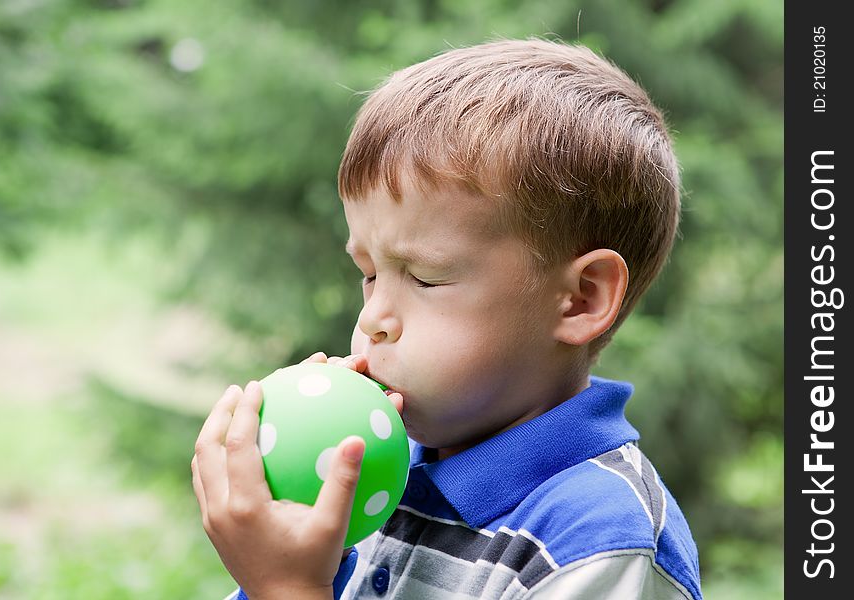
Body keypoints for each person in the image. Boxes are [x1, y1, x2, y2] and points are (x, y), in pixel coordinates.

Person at [191, 38, 702, 600]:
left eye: (425, 279)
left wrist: (287, 589)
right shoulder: (380, 476)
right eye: (369, 273)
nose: (375, 319)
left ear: (580, 298)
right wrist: (303, 553)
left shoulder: (600, 542)